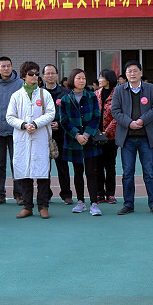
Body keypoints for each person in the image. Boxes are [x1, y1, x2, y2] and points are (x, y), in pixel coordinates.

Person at [111, 60, 153, 215]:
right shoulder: (119, 90)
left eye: (135, 70)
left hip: (146, 138)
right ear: (125, 74)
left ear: (141, 72)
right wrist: (129, 123)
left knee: (149, 173)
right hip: (127, 139)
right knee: (127, 173)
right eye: (129, 71)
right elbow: (115, 111)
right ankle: (128, 204)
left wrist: (142, 120)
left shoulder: (151, 88)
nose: (132, 74)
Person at [7, 62, 55, 219]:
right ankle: (27, 206)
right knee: (25, 173)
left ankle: (43, 206)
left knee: (42, 174)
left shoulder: (44, 94)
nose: (34, 76)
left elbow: (50, 113)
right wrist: (23, 125)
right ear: (23, 76)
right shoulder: (16, 96)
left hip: (40, 138)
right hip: (23, 138)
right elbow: (10, 116)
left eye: (36, 74)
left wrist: (35, 123)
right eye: (31, 74)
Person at [59, 68, 102, 216]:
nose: (82, 81)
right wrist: (77, 135)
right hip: (74, 141)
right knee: (78, 172)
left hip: (89, 140)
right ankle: (80, 202)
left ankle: (94, 203)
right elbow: (64, 121)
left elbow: (96, 117)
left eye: (84, 78)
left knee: (91, 172)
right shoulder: (65, 99)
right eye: (78, 78)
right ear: (72, 80)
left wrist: (86, 134)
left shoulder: (92, 96)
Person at [0, 56, 24, 206]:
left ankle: (19, 194)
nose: (6, 68)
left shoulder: (20, 83)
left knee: (17, 163)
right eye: (3, 66)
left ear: (12, 67)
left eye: (8, 66)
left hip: (16, 130)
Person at [42, 63, 73, 204]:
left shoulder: (66, 93)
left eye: (52, 73)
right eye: (47, 73)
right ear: (43, 76)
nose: (50, 76)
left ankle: (66, 194)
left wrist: (59, 124)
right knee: (44, 167)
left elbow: (70, 113)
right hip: (43, 135)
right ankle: (45, 194)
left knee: (62, 166)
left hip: (61, 134)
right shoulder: (38, 93)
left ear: (57, 75)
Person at [95, 69, 119, 204]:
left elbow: (118, 115)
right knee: (97, 166)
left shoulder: (117, 94)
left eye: (101, 77)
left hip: (111, 137)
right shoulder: (96, 94)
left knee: (110, 166)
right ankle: (99, 193)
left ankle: (110, 193)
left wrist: (108, 131)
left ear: (108, 79)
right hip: (96, 136)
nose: (99, 80)